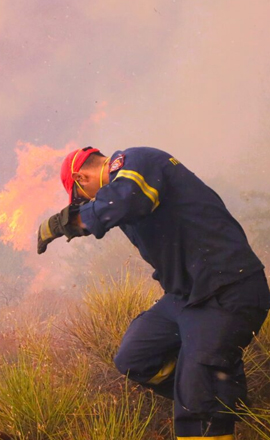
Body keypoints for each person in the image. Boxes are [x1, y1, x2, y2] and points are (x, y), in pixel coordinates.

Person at [38, 146, 269, 439]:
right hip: (185, 297)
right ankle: (220, 392)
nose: (90, 203)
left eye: (83, 197)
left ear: (82, 176)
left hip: (226, 291)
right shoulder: (122, 193)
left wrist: (67, 222)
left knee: (196, 403)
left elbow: (126, 201)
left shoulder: (138, 163)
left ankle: (206, 393)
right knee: (135, 357)